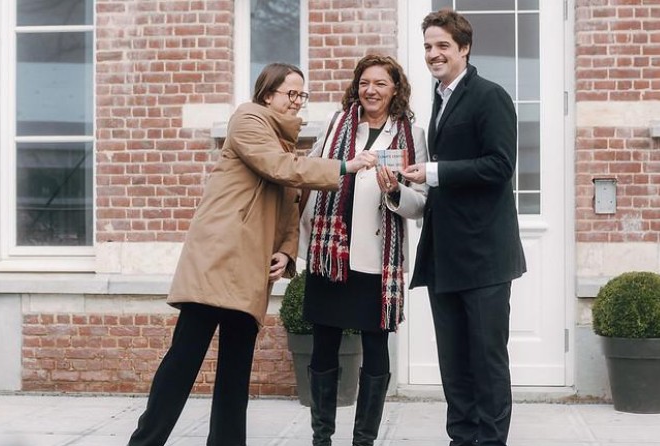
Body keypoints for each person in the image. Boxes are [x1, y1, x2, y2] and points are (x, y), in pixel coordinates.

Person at [127, 63, 377, 446]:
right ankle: (145, 441)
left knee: (236, 367)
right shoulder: (248, 120)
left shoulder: (288, 144)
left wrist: (287, 252)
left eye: (301, 95)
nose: (297, 102)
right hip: (217, 260)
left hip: (252, 267)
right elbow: (278, 169)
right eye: (290, 93)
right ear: (266, 95)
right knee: (184, 359)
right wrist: (344, 165)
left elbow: (291, 205)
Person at [400, 10, 527, 446]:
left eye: (442, 46)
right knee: (453, 360)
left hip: (486, 255)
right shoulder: (438, 99)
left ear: (464, 48)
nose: (433, 54)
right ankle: (461, 438)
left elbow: (500, 165)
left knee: (487, 360)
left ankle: (490, 440)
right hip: (446, 254)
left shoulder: (490, 96)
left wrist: (433, 172)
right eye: (428, 47)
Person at [299, 54, 428, 446]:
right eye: (365, 82)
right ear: (357, 86)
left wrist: (395, 190)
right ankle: (321, 437)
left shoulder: (412, 135)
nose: (371, 90)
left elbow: (420, 203)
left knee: (375, 348)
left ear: (395, 90)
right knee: (323, 345)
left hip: (376, 261)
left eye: (380, 84)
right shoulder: (337, 124)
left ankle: (363, 440)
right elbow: (314, 171)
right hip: (330, 254)